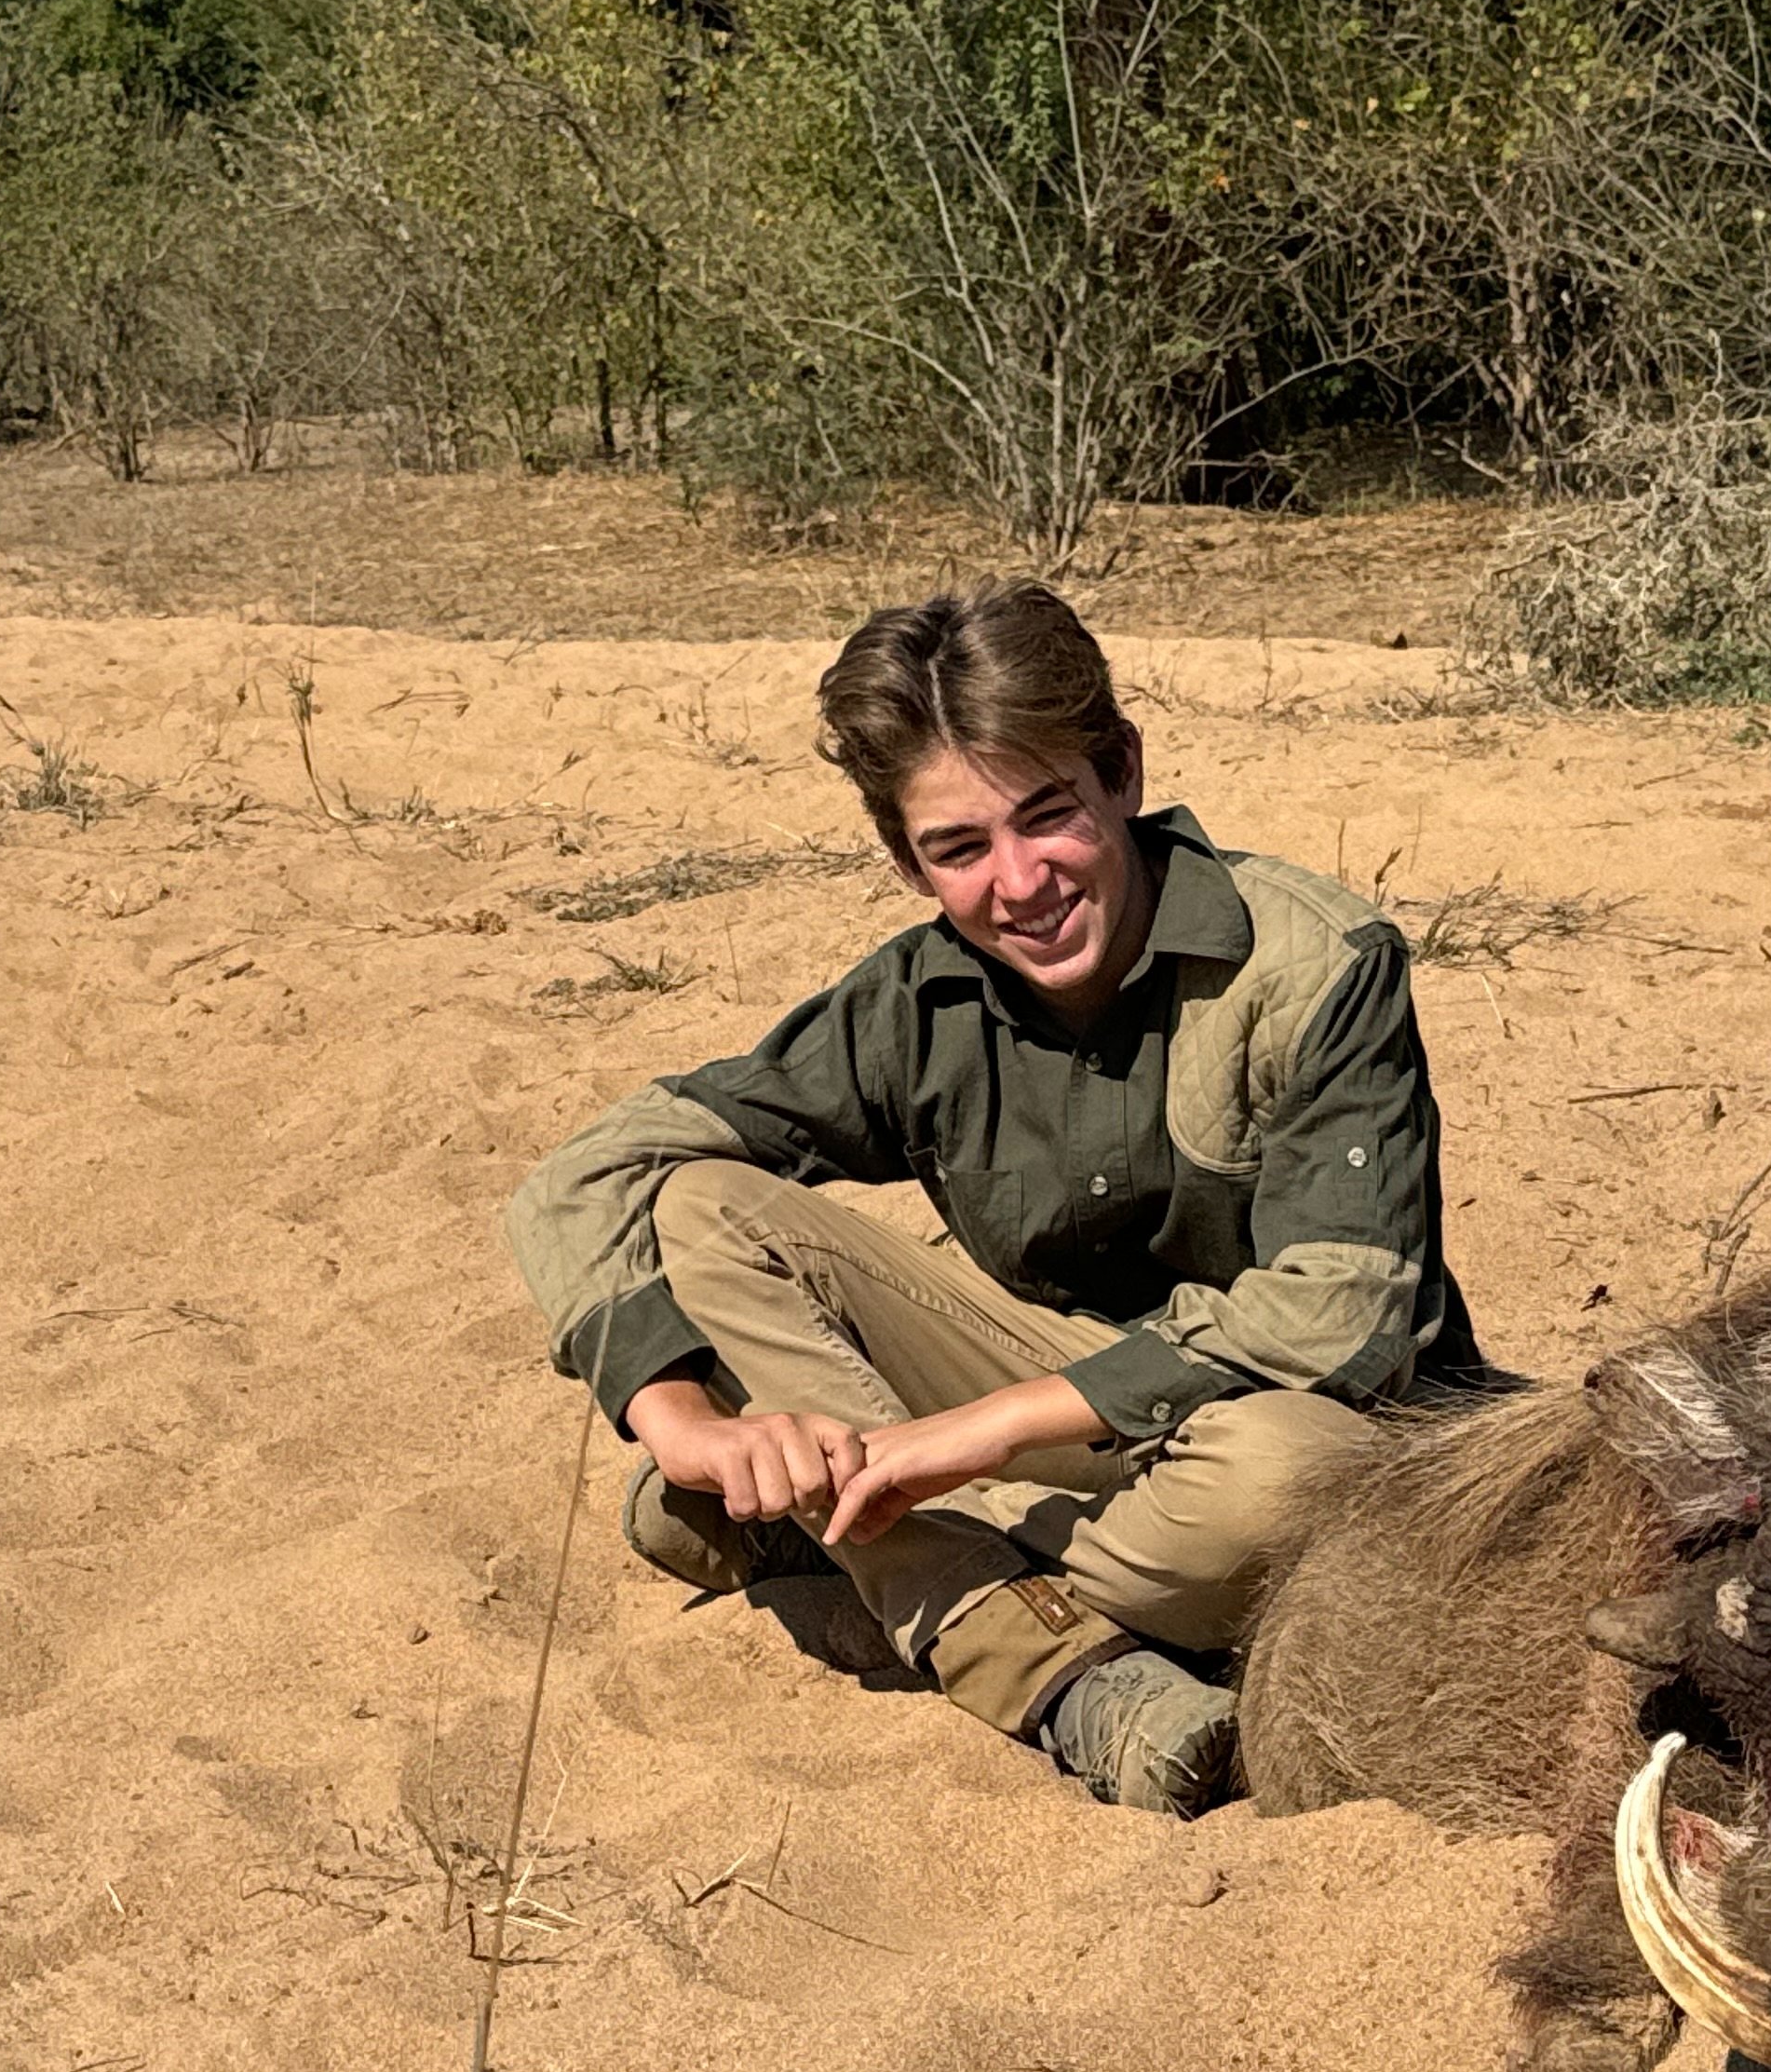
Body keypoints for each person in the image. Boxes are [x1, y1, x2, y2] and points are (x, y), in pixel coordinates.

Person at [506, 579, 1478, 1817]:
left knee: (1289, 1486)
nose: (1020, 882)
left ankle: (843, 1540)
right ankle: (1053, 1671)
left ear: (1119, 770)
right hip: (1073, 1454)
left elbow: (1340, 1324)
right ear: (907, 859)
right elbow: (594, 1171)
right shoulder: (915, 998)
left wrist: (947, 1444)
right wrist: (686, 1426)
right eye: (959, 849)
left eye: (1048, 815)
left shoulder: (1312, 961)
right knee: (707, 1205)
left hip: (1268, 1433)